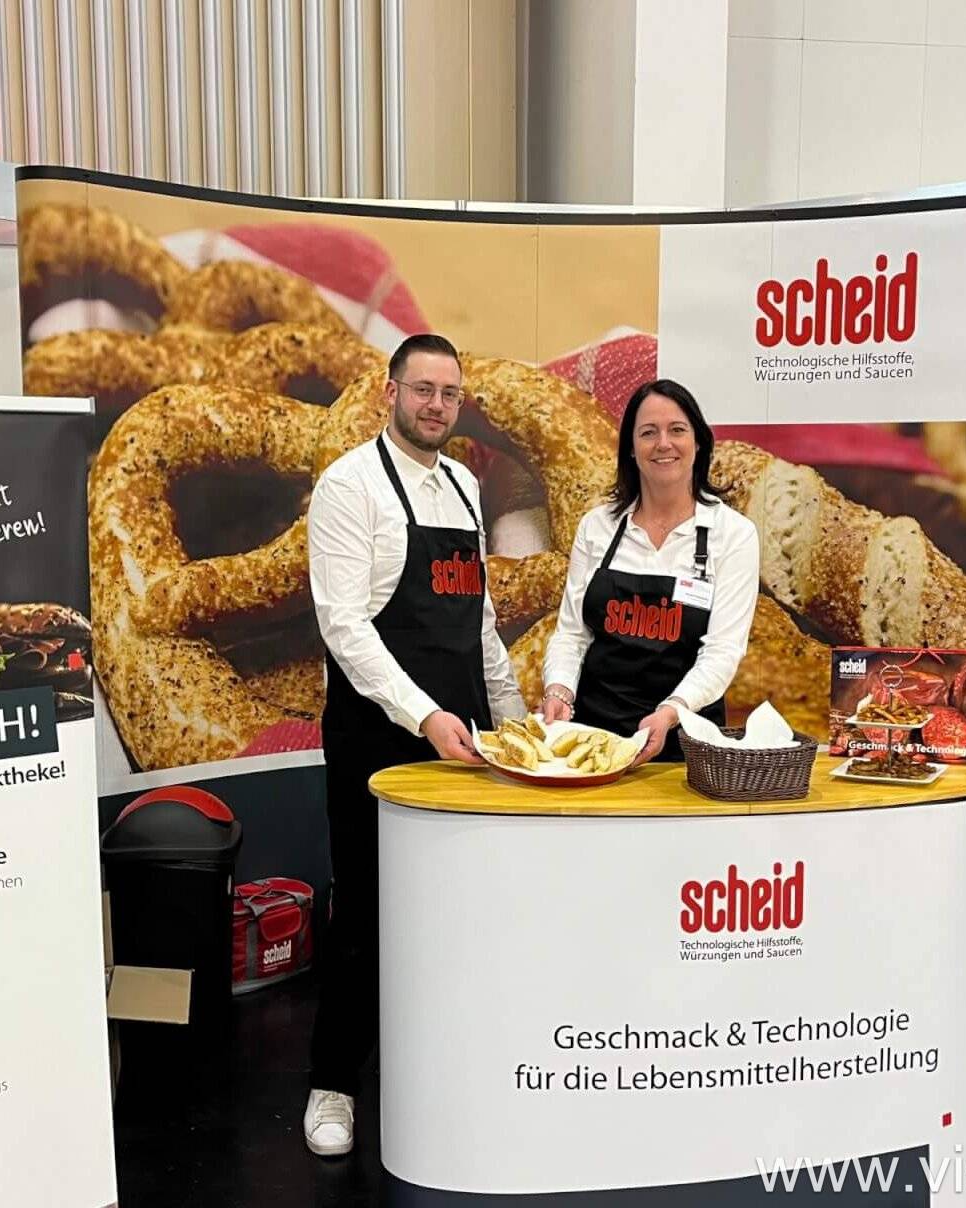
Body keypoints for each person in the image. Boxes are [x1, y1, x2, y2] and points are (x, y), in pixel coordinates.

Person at [301, 332, 525, 1155]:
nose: (435, 405)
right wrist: (422, 714)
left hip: (464, 739)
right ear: (389, 392)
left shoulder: (465, 486)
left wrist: (511, 716)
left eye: (448, 393)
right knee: (366, 911)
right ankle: (332, 1086)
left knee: (458, 911)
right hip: (376, 737)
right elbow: (344, 626)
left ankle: (444, 1071)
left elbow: (479, 623)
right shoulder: (348, 485)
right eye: (422, 389)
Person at [541, 379, 759, 762]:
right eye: (648, 433)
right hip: (593, 742)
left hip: (685, 743)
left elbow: (723, 651)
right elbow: (572, 633)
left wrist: (671, 711)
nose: (663, 444)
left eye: (677, 430)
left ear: (699, 442)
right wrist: (559, 690)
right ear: (630, 447)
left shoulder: (733, 534)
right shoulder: (598, 526)